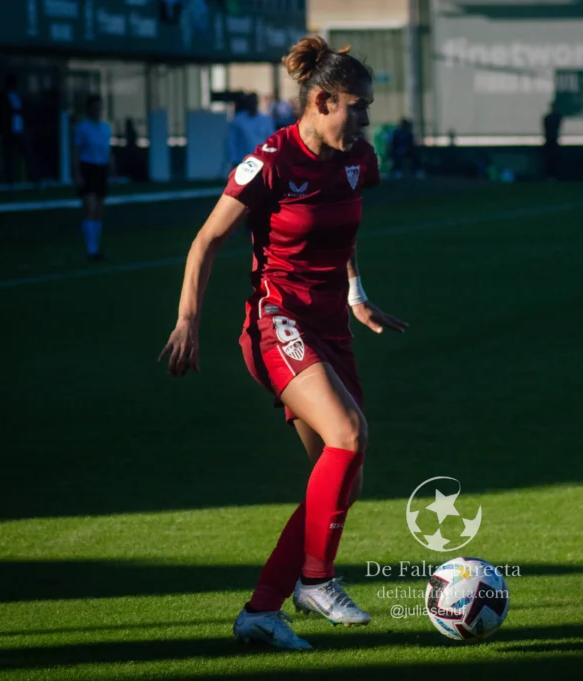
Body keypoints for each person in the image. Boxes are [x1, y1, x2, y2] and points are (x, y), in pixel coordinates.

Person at [158, 35, 408, 651]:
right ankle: (316, 580)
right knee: (348, 436)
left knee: (337, 471)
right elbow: (205, 241)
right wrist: (188, 318)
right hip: (277, 322)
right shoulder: (269, 162)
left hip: (329, 325)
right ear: (321, 101)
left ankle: (261, 612)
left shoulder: (358, 160)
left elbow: (342, 227)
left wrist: (355, 293)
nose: (368, 119)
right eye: (358, 105)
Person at [72, 95, 114, 262]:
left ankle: (95, 247)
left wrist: (112, 169)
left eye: (100, 108)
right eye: (95, 107)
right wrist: (77, 173)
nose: (98, 111)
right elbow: (75, 152)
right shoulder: (82, 128)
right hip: (88, 168)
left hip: (101, 169)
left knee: (99, 209)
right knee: (89, 207)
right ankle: (90, 249)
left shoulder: (105, 128)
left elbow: (108, 151)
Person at [0, 73, 41, 188]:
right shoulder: (2, 96)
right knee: (10, 156)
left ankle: (36, 179)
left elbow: (25, 111)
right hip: (9, 132)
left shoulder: (19, 96)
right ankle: (11, 181)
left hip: (21, 130)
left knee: (28, 154)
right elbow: (0, 113)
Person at [227, 92, 275, 167]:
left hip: (261, 161)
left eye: (254, 102)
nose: (252, 104)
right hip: (243, 161)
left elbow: (272, 141)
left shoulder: (266, 120)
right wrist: (234, 159)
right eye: (250, 102)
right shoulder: (238, 120)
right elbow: (232, 141)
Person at [542, 99, 563, 180]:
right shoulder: (548, 118)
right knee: (549, 159)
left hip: (554, 140)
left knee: (554, 159)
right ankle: (549, 176)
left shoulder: (556, 117)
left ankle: (553, 175)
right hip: (549, 141)